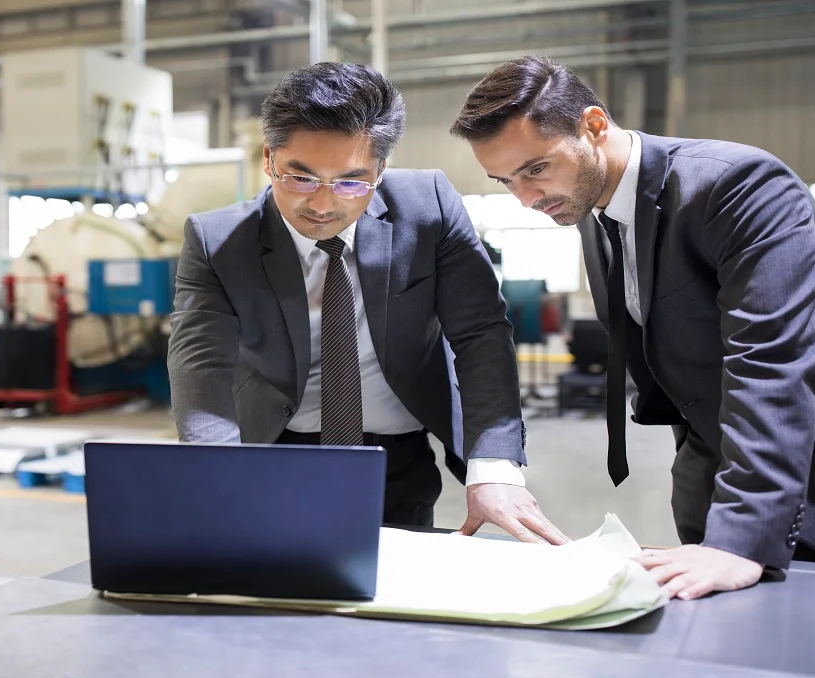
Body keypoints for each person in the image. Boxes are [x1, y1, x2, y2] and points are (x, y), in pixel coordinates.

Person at [449, 55, 815, 599]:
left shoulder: (738, 186)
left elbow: (771, 360)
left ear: (595, 126)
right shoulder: (589, 210)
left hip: (810, 469)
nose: (528, 199)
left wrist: (741, 537)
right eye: (505, 181)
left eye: (535, 168)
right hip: (711, 469)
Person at [167, 61, 568, 543]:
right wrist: (217, 472)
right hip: (273, 451)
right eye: (300, 177)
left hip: (398, 458)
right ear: (269, 159)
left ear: (381, 168)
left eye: (351, 181)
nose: (322, 204)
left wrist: (495, 466)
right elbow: (201, 366)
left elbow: (479, 334)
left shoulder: (428, 208)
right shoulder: (218, 240)